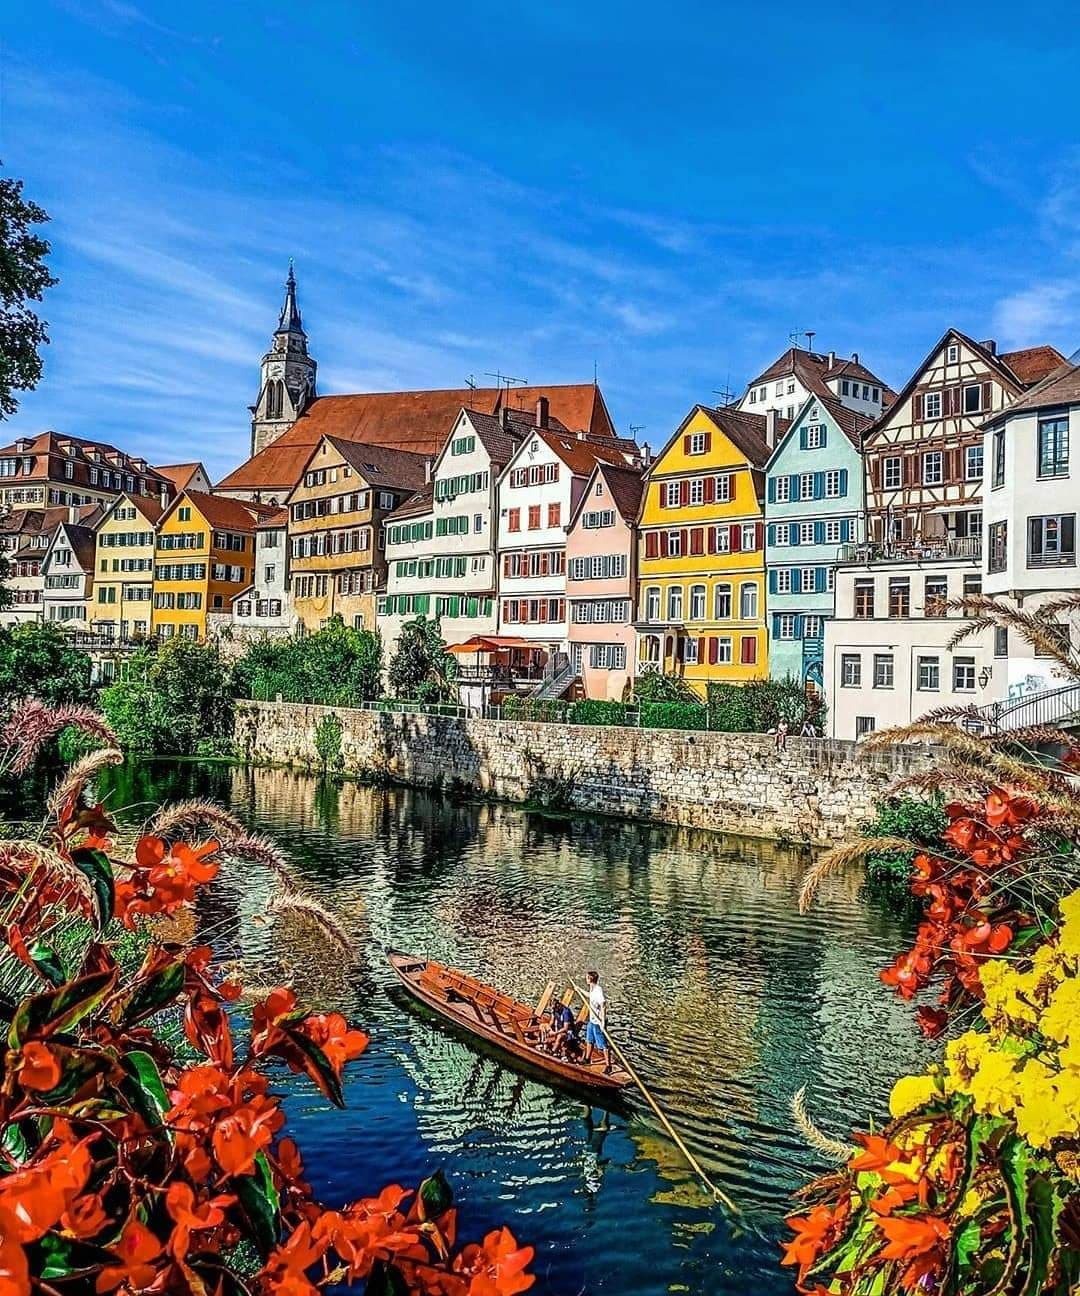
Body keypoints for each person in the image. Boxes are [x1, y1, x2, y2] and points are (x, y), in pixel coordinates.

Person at [583, 970, 610, 1072]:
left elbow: (603, 1005)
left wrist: (602, 1022)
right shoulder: (592, 989)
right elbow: (590, 996)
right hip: (592, 1021)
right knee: (589, 1040)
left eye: (586, 978)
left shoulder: (598, 991)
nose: (585, 979)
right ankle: (587, 1059)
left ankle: (608, 1066)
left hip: (598, 1022)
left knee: (603, 1045)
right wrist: (579, 990)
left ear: (590, 979)